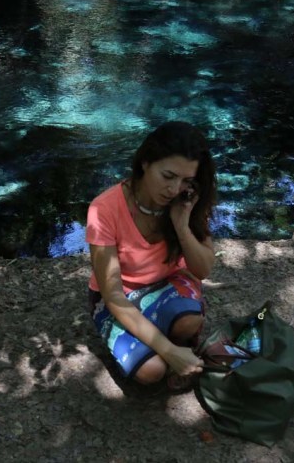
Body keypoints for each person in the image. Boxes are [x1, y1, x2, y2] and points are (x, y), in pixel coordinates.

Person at [86, 121, 216, 389]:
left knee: (190, 321)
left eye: (185, 180)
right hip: (118, 298)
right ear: (145, 162)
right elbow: (113, 296)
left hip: (167, 283)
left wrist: (181, 225)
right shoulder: (104, 209)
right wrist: (168, 351)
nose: (174, 189)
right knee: (151, 372)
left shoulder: (186, 200)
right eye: (168, 176)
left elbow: (203, 270)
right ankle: (168, 351)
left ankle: (171, 341)